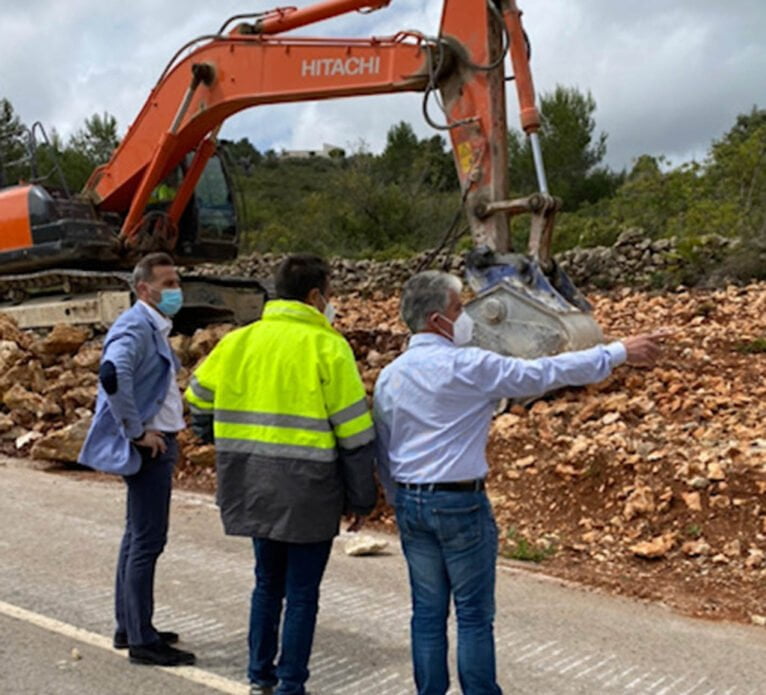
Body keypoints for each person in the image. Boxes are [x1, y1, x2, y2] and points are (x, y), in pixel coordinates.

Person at [373, 270, 662, 695]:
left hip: (413, 505)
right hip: (460, 505)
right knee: (472, 615)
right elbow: (544, 372)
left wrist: (397, 500)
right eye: (459, 308)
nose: (466, 316)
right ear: (438, 320)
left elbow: (384, 446)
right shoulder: (469, 366)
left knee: (427, 614)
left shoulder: (390, 376)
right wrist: (617, 352)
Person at [185, 254, 377, 695]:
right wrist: (361, 499)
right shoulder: (329, 347)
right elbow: (355, 435)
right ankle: (291, 684)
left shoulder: (239, 341)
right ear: (314, 296)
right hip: (310, 491)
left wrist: (215, 437)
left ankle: (260, 678)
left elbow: (197, 394)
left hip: (251, 483)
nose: (331, 304)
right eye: (329, 295)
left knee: (266, 585)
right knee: (303, 593)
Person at [79, 252, 195, 667]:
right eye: (167, 284)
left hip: (155, 440)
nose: (175, 290)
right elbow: (112, 374)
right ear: (143, 289)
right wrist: (136, 431)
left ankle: (130, 626)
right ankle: (142, 640)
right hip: (151, 446)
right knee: (147, 540)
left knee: (136, 537)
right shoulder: (135, 327)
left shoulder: (151, 325)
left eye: (176, 281)